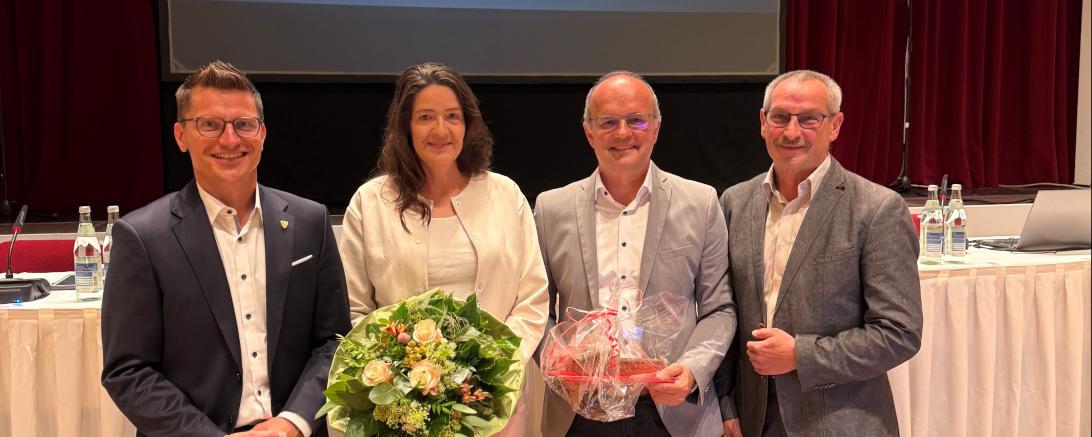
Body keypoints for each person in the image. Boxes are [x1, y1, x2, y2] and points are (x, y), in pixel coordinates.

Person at [101, 61, 351, 437]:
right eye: (210, 125)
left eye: (244, 124)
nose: (230, 140)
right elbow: (128, 371)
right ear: (181, 136)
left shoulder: (310, 221)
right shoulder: (141, 237)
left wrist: (292, 422)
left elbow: (333, 342)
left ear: (263, 134)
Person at [337, 62, 549, 436]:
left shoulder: (505, 194)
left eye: (452, 116)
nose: (440, 130)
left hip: (497, 400)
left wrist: (495, 370)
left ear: (468, 124)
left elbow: (532, 297)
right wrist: (400, 373)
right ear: (405, 126)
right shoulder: (369, 202)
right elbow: (355, 308)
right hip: (404, 408)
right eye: (425, 117)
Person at [717, 70, 922, 437]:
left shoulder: (876, 209)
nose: (792, 132)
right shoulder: (735, 202)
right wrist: (726, 404)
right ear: (764, 123)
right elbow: (727, 315)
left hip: (842, 422)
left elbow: (899, 333)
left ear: (836, 125)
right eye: (780, 117)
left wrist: (801, 355)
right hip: (752, 422)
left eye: (809, 118)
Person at [534, 71, 736, 437]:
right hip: (579, 412)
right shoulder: (551, 209)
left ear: (656, 128)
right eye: (608, 122)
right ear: (588, 131)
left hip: (671, 411)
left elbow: (719, 308)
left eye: (636, 120)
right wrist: (562, 364)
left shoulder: (700, 202)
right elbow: (536, 310)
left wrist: (691, 369)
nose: (623, 133)